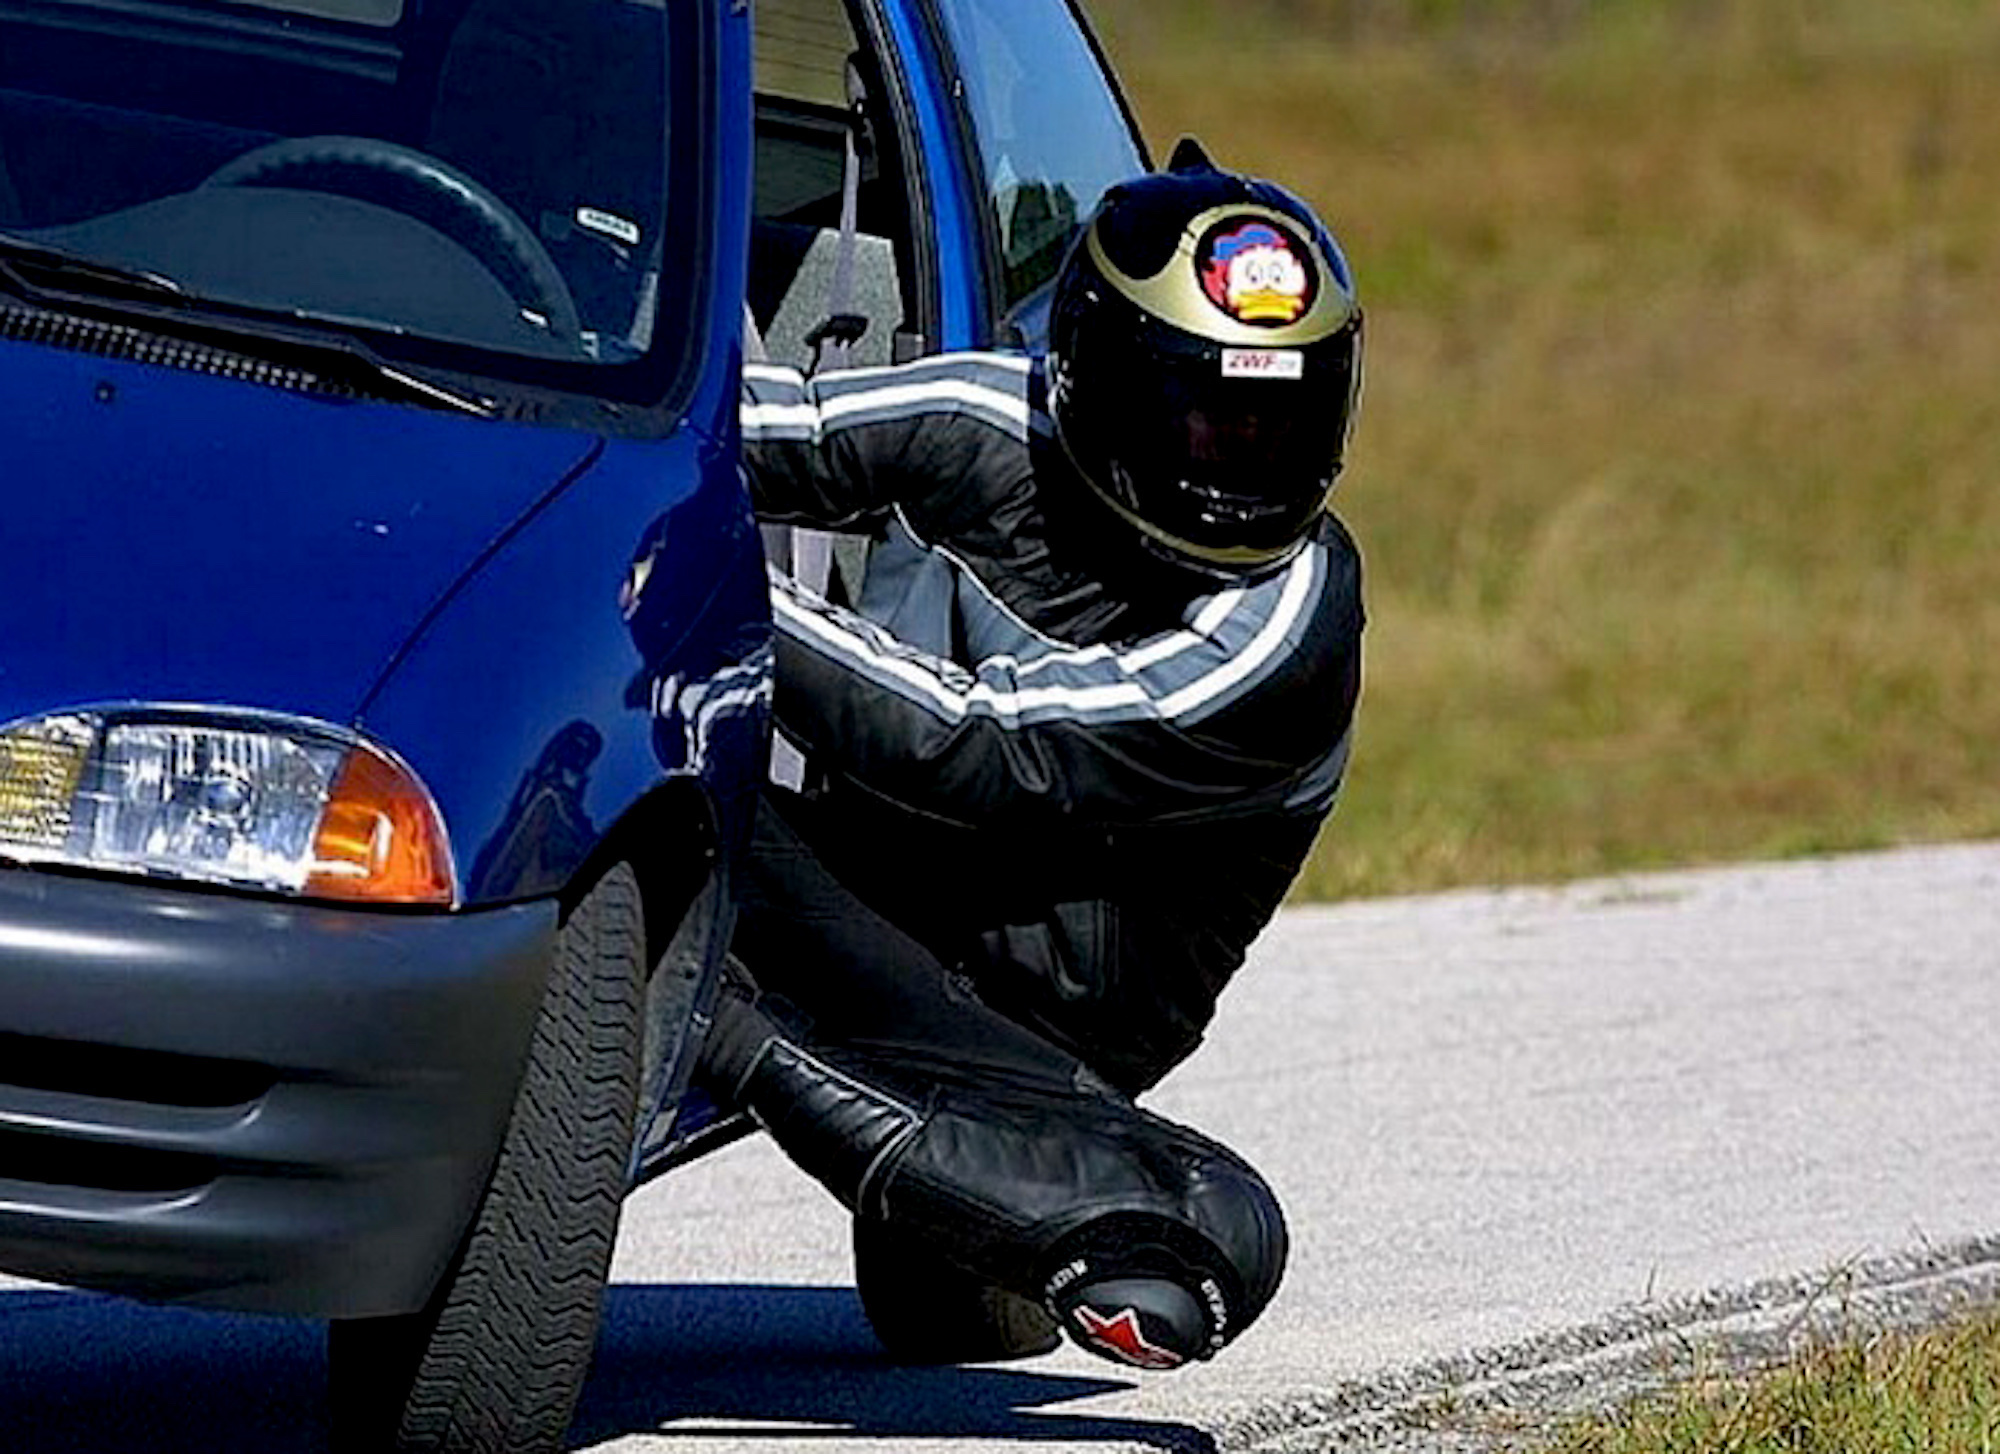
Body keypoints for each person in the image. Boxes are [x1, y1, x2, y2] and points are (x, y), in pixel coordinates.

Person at [700, 143, 1365, 1372]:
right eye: (1208, 415)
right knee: (664, 829)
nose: (1242, 465)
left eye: (1280, 425)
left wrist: (688, 580)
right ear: (1097, 373)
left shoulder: (1284, 630)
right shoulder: (984, 415)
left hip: (1048, 1021)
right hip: (875, 874)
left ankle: (726, 1029)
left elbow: (977, 742)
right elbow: (736, 433)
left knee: (1201, 1257)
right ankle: (697, 1004)